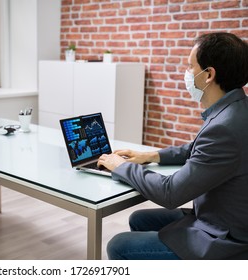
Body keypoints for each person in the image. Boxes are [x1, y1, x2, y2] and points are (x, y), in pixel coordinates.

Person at [97, 32, 248, 259]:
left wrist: (121, 166)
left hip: (224, 238)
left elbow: (170, 193)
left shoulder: (224, 127)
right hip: (223, 217)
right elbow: (195, 149)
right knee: (139, 218)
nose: (187, 73)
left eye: (190, 66)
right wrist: (149, 155)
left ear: (208, 75)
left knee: (118, 245)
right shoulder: (236, 109)